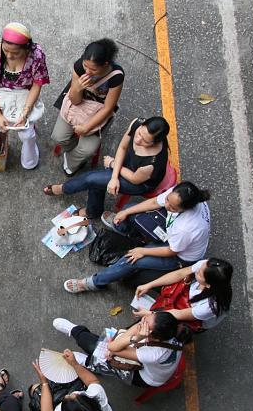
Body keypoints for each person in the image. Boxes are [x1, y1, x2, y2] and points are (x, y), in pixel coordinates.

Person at [64, 181, 211, 292]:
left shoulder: (187, 228)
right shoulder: (181, 194)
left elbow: (171, 251)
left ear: (185, 209)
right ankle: (132, 234)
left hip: (179, 256)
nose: (166, 206)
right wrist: (126, 213)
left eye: (172, 207)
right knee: (130, 210)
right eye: (167, 201)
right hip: (174, 235)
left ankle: (93, 283)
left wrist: (143, 251)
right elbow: (154, 202)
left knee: (131, 259)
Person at [43, 117, 170, 220]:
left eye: (145, 141)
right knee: (97, 181)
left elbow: (134, 179)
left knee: (92, 179)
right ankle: (92, 211)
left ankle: (65, 189)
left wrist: (113, 164)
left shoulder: (152, 163)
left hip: (139, 182)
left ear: (155, 143)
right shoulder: (137, 123)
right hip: (128, 164)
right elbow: (122, 147)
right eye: (139, 134)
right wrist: (114, 177)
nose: (137, 140)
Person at [0, 22, 50, 170]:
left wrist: (25, 113)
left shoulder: (36, 55)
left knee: (27, 135)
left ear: (26, 48)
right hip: (0, 94)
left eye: (15, 53)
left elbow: (37, 84)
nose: (9, 55)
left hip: (24, 95)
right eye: (6, 50)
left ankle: (29, 158)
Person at [53, 314, 192, 388]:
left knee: (103, 354)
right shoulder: (170, 328)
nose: (142, 321)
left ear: (153, 335)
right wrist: (136, 333)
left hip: (144, 376)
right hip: (153, 361)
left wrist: (136, 337)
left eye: (145, 324)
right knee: (106, 346)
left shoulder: (153, 355)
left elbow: (112, 347)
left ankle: (87, 360)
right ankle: (77, 334)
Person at [53, 39, 124, 175]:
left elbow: (108, 108)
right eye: (86, 66)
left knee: (87, 150)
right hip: (77, 105)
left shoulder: (116, 77)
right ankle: (72, 150)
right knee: (58, 136)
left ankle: (71, 160)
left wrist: (86, 128)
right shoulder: (79, 67)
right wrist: (77, 88)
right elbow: (75, 100)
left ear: (105, 64)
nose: (88, 71)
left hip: (97, 111)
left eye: (93, 69)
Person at [31, 351, 113, 411]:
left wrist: (44, 382)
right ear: (93, 402)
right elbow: (92, 381)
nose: (67, 395)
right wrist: (74, 363)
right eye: (76, 396)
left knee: (34, 389)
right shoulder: (100, 398)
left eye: (65, 400)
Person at [134, 258, 233, 331]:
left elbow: (179, 315)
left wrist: (151, 314)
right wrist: (149, 285)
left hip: (193, 318)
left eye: (199, 274)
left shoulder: (210, 306)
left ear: (208, 285)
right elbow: (180, 274)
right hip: (185, 304)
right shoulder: (206, 266)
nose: (196, 270)